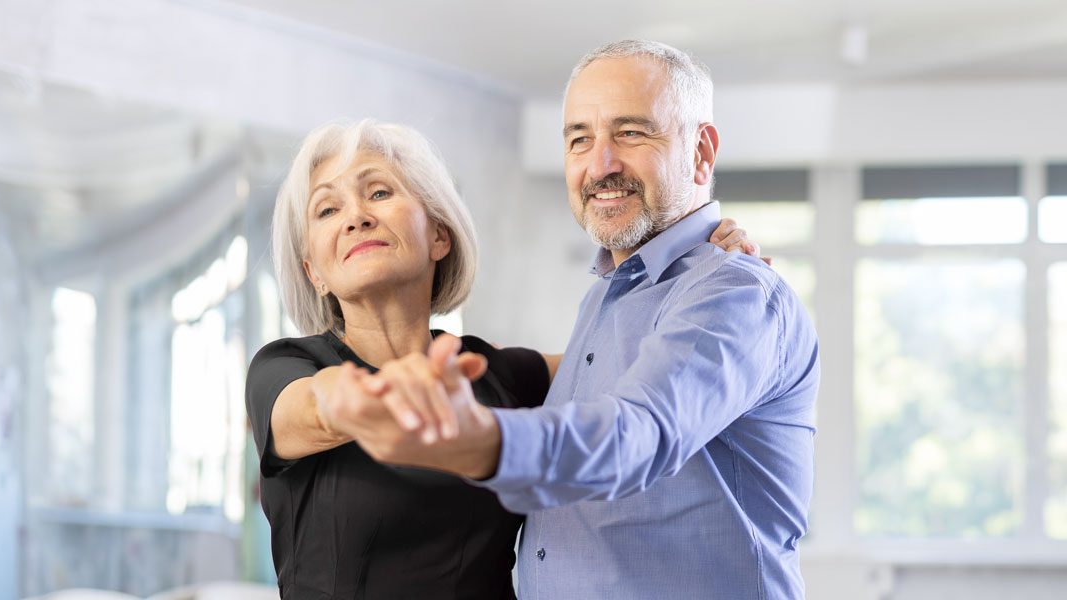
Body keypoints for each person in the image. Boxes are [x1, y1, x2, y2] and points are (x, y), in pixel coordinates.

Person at [317, 40, 821, 600]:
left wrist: (478, 440)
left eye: (631, 133)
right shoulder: (606, 297)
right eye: (580, 139)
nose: (601, 165)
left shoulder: (735, 292)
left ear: (701, 152)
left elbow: (638, 434)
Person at [245, 118, 761, 599]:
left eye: (379, 193)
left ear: (439, 236)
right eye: (327, 210)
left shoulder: (499, 376)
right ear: (314, 273)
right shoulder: (285, 368)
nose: (356, 218)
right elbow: (317, 406)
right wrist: (376, 397)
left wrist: (703, 268)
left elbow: (639, 361)